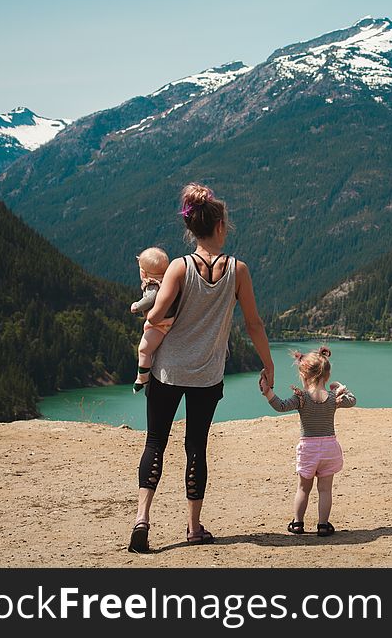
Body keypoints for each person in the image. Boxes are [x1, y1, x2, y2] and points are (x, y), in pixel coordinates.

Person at [128, 182, 274, 553]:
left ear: (191, 228)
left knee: (155, 441)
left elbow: (157, 314)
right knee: (196, 448)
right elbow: (253, 323)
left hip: (167, 372)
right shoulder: (238, 270)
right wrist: (268, 364)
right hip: (207, 376)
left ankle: (142, 518)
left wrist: (149, 309)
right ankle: (194, 527)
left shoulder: (179, 267)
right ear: (221, 225)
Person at [260, 346, 356, 537]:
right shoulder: (333, 398)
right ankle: (322, 525)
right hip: (329, 449)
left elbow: (280, 406)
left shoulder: (301, 398)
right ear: (326, 376)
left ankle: (297, 524)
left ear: (303, 375)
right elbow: (352, 401)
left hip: (309, 450)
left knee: (303, 488)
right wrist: (341, 388)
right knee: (325, 490)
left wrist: (267, 392)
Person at [130, 247, 178, 393]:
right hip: (172, 320)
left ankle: (142, 377)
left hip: (160, 325)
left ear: (143, 272)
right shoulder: (170, 280)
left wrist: (136, 306)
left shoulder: (152, 284)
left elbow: (149, 300)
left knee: (144, 349)